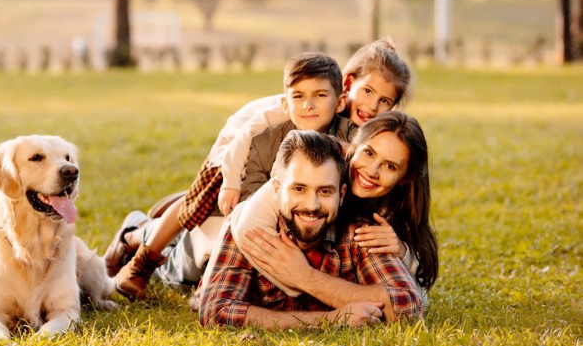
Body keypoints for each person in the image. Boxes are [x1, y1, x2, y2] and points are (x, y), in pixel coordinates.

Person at [105, 40, 413, 300]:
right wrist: (230, 183)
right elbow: (246, 136)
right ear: (347, 86)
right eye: (368, 92)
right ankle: (139, 241)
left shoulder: (363, 135)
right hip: (232, 158)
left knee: (203, 228)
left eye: (384, 100)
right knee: (194, 216)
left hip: (277, 196)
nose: (373, 106)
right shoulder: (286, 112)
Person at [199, 129, 425, 329]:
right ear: (277, 189)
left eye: (325, 191)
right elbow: (216, 312)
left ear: (342, 194)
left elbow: (408, 308)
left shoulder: (362, 233)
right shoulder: (250, 225)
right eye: (299, 189)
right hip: (203, 234)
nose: (312, 206)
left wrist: (305, 277)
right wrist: (330, 320)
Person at [224, 111, 438, 300]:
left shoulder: (394, 210)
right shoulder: (318, 166)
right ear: (353, 145)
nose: (371, 171)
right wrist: (299, 282)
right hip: (229, 212)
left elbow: (415, 299)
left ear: (404, 178)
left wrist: (403, 252)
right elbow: (247, 228)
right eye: (369, 153)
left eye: (390, 166)